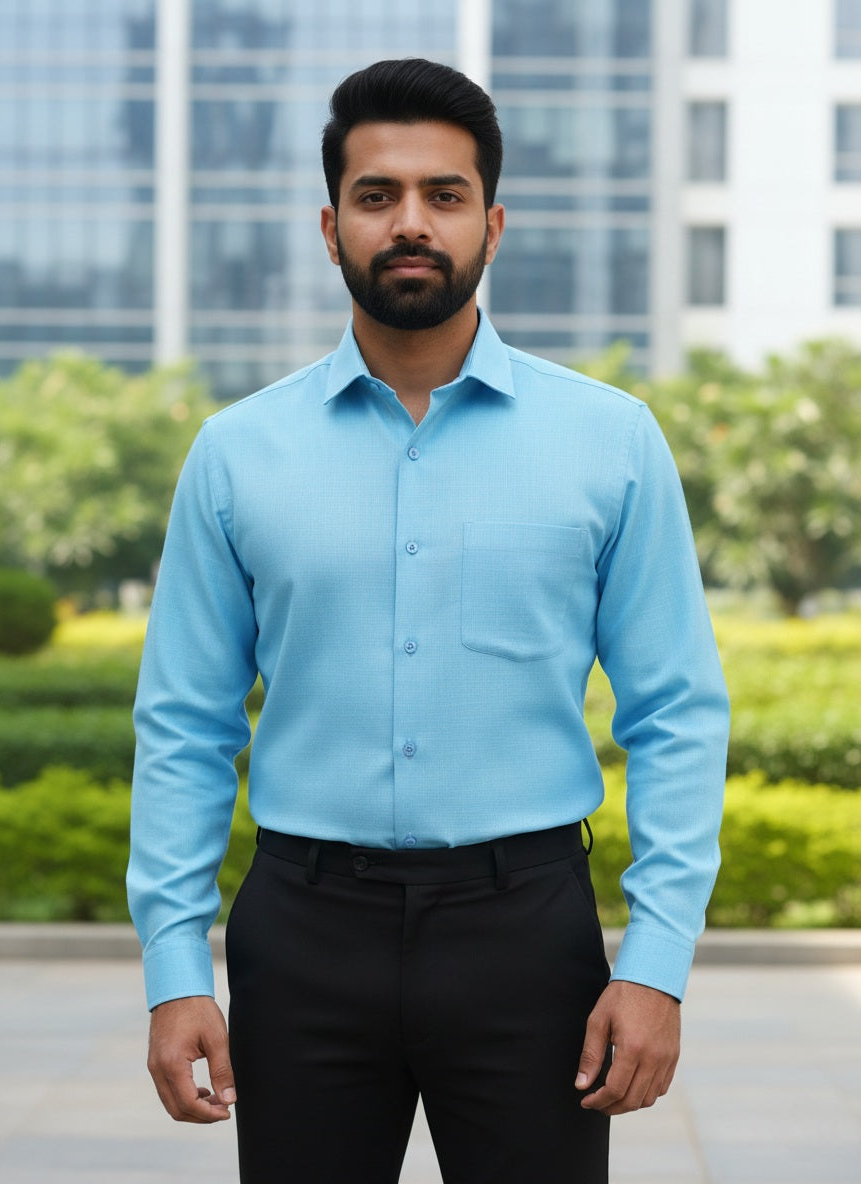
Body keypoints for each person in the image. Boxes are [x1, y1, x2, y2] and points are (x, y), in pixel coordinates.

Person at [128, 57, 729, 1184]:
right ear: (331, 228)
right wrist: (173, 968)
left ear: (491, 225)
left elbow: (678, 713)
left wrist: (656, 962)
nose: (411, 222)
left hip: (528, 936)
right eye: (377, 195)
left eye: (444, 195)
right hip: (302, 937)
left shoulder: (611, 440)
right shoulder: (236, 452)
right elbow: (184, 724)